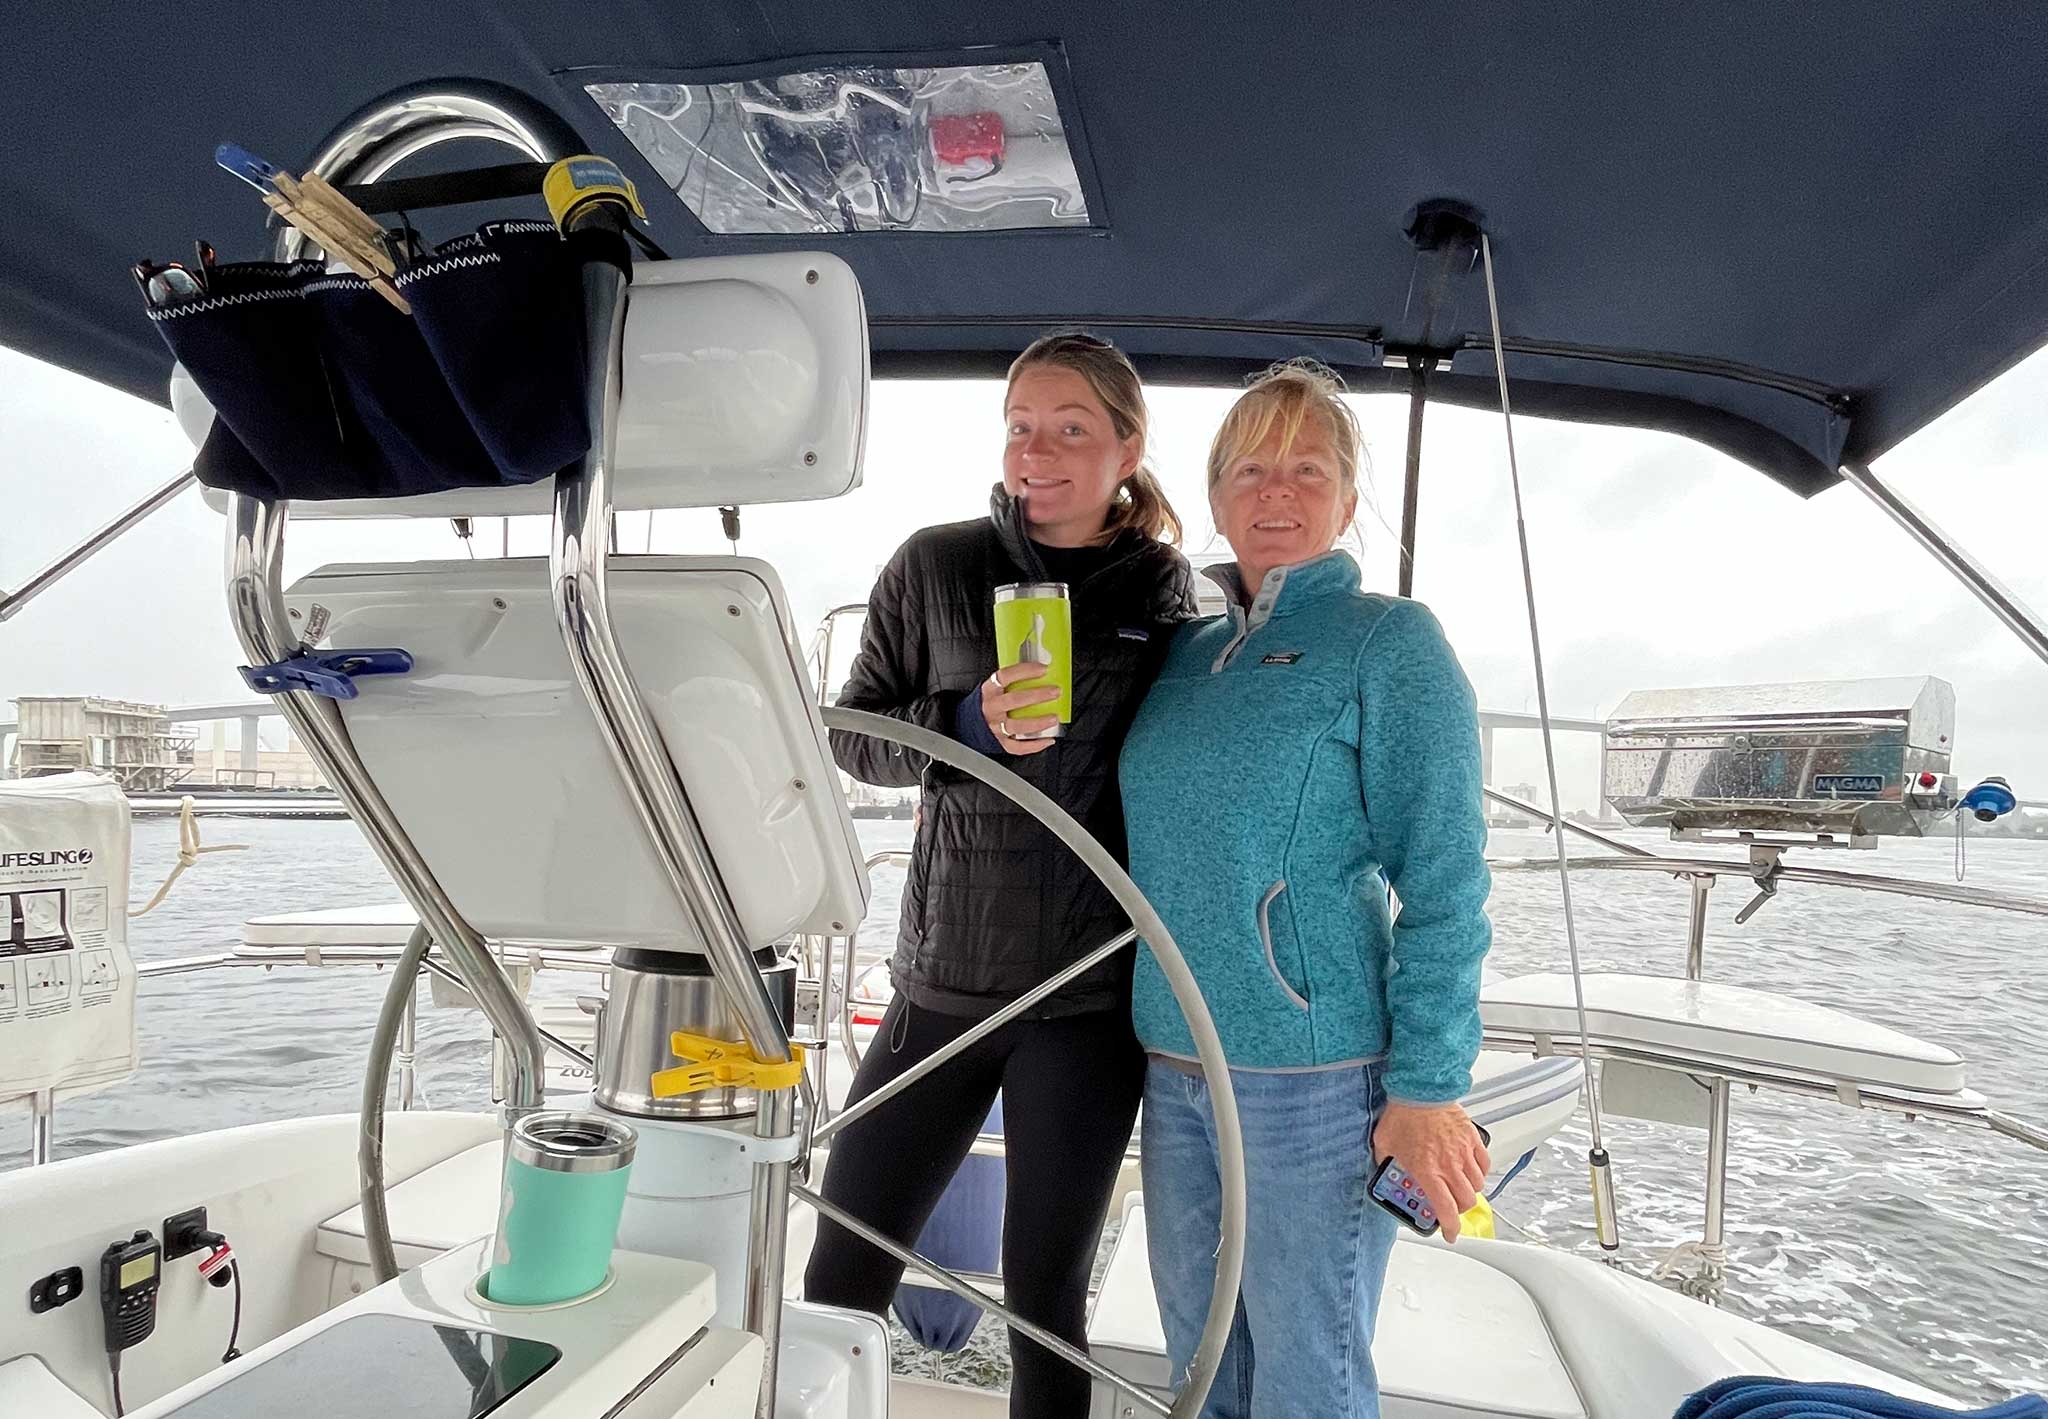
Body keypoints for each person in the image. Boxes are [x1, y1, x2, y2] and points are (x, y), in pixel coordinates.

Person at [807, 331, 1196, 1416]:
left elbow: (1192, 769)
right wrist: (963, 725)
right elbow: (853, 735)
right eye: (1022, 426)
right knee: (841, 1273)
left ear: (1124, 447)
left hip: (1082, 1002)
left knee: (1042, 1307)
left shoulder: (1164, 591)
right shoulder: (935, 562)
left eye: (1071, 428)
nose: (1039, 451)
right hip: (941, 984)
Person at [1118, 360, 1493, 1418]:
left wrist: (1426, 1087)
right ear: (1216, 493)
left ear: (1343, 494)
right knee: (1200, 1367)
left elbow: (1446, 879)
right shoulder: (1184, 654)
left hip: (1313, 1082)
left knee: (1305, 1378)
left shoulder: (1390, 641)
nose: (1274, 494)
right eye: (1248, 470)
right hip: (1172, 1062)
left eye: (1305, 469)